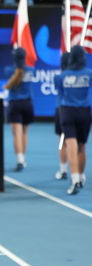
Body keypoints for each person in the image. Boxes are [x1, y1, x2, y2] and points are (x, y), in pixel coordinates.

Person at [53, 45, 92, 195]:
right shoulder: (89, 74)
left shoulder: (60, 77)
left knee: (71, 144)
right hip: (85, 112)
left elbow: (60, 93)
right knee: (82, 146)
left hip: (67, 111)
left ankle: (75, 179)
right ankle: (81, 178)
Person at [4, 47, 34, 171]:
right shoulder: (31, 70)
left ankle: (20, 160)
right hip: (28, 104)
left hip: (15, 104)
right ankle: (23, 159)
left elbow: (8, 86)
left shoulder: (9, 70)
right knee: (24, 132)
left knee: (17, 133)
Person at [55, 52, 70, 181]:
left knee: (63, 142)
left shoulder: (59, 77)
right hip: (81, 111)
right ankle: (79, 176)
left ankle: (63, 170)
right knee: (79, 144)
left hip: (63, 111)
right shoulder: (85, 74)